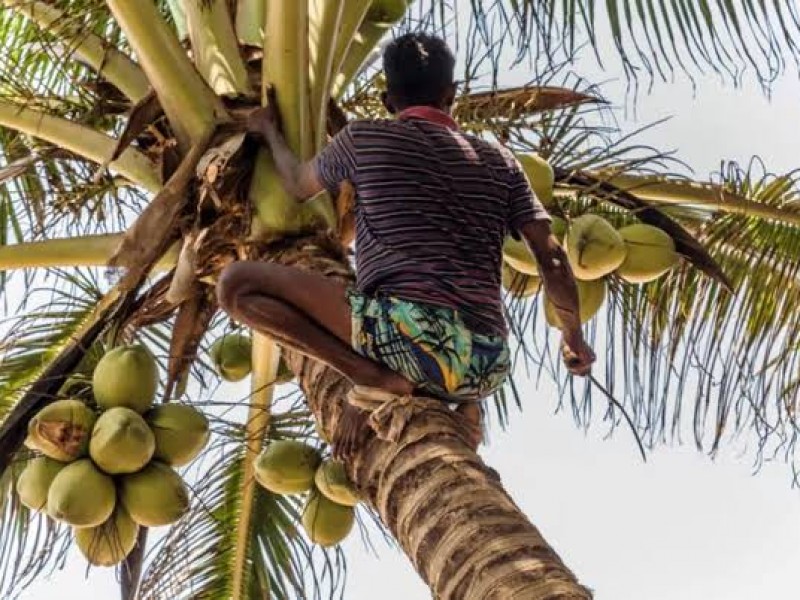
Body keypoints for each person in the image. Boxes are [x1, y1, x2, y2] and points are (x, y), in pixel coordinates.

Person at [216, 32, 595, 460]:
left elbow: (299, 185)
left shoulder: (364, 139)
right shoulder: (500, 162)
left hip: (404, 337)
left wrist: (268, 131)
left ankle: (370, 377)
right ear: (451, 94)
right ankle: (463, 402)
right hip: (488, 363)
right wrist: (572, 337)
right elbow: (553, 259)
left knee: (236, 284)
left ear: (387, 99)